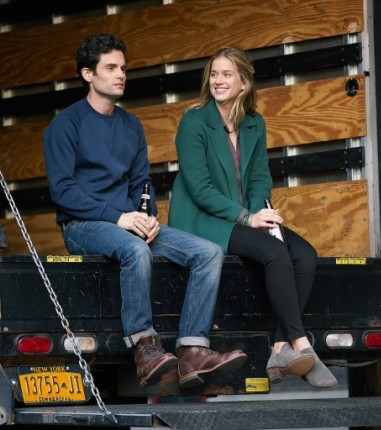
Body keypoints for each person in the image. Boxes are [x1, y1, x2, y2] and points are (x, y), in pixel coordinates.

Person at [43, 34, 246, 390]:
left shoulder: (131, 125)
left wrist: (148, 216)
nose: (120, 74)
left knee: (209, 253)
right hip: (83, 225)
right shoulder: (66, 125)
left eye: (123, 68)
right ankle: (143, 346)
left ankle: (192, 350)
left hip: (131, 223)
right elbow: (63, 192)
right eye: (111, 68)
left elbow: (141, 183)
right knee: (135, 250)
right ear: (88, 74)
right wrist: (118, 217)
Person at [168, 47, 337, 388]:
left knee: (305, 255)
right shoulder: (194, 121)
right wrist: (248, 218)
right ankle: (301, 344)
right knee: (274, 252)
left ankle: (280, 347)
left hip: (246, 216)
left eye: (226, 74)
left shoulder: (254, 123)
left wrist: (263, 214)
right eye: (214, 74)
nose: (218, 80)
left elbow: (260, 178)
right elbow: (200, 189)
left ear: (244, 83)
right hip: (205, 220)